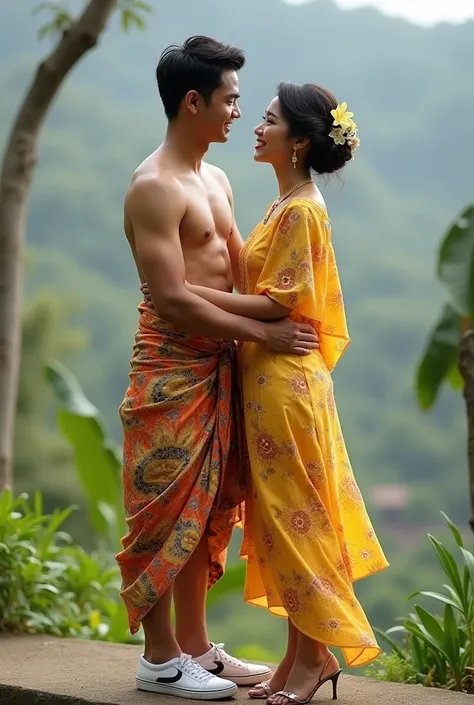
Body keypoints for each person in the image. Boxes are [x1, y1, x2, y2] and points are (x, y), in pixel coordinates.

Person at [115, 37, 320, 701]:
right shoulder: (153, 186)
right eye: (230, 99)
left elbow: (240, 272)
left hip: (221, 363)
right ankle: (160, 656)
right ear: (192, 101)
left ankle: (197, 646)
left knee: (207, 512)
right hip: (171, 365)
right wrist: (261, 330)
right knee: (161, 508)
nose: (238, 112)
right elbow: (172, 296)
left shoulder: (218, 178)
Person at [183, 82, 389, 704]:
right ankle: (303, 656)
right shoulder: (289, 201)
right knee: (281, 519)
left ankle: (314, 658)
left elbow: (277, 302)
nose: (256, 126)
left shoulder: (300, 209)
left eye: (268, 120)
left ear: (298, 141)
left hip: (284, 386)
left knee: (296, 520)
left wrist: (188, 294)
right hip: (269, 380)